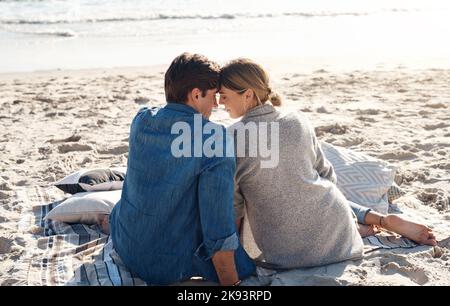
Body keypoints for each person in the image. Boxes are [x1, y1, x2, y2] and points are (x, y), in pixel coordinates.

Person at [218, 58, 437, 269]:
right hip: (338, 234)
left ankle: (365, 225)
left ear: (247, 95)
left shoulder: (231, 137)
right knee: (308, 186)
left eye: (224, 96)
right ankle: (376, 220)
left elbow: (234, 206)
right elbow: (327, 175)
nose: (220, 103)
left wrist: (234, 256)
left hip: (284, 254)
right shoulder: (298, 119)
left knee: (271, 195)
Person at [106, 53, 255, 285]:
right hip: (165, 267)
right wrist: (233, 286)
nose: (216, 105)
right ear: (196, 94)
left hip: (126, 244)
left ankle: (107, 220)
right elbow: (218, 228)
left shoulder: (142, 119)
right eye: (213, 96)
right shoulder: (214, 138)